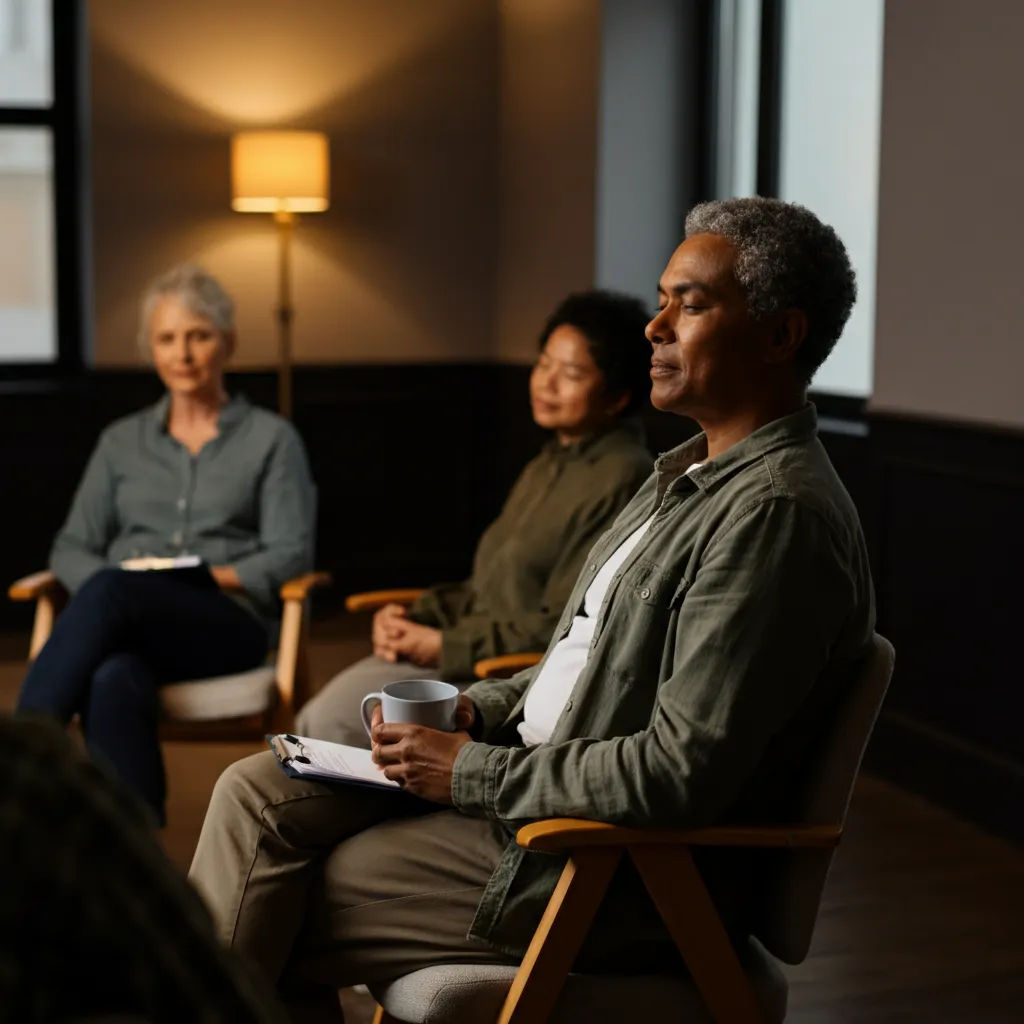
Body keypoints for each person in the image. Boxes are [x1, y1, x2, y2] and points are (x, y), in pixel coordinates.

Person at [189, 197, 875, 1018]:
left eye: (688, 305)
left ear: (780, 336)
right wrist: (475, 713)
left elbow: (676, 776)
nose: (655, 327)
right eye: (660, 301)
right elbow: (571, 663)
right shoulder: (680, 480)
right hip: (527, 790)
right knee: (254, 789)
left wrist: (469, 771)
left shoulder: (774, 515)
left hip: (602, 869)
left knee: (268, 892)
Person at [16, 264, 316, 825]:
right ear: (150, 349)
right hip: (129, 623)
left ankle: (19, 754)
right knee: (112, 679)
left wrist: (191, 578)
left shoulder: (272, 440)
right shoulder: (121, 442)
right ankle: (134, 860)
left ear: (227, 343)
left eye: (199, 336)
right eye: (167, 338)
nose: (183, 353)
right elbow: (71, 548)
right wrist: (123, 591)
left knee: (113, 590)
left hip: (228, 624)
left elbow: (290, 554)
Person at [297, 289, 654, 745]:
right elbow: (490, 587)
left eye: (571, 373)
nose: (546, 382)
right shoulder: (550, 461)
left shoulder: (623, 475)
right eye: (544, 363)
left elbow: (569, 624)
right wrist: (413, 614)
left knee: (329, 723)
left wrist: (443, 646)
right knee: (318, 719)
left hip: (503, 677)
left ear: (618, 395)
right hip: (461, 649)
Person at [0, 712, 289, 1022]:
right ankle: (136, 832)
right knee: (114, 679)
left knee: (110, 675)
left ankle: (134, 827)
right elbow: (210, 994)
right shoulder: (33, 786)